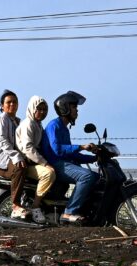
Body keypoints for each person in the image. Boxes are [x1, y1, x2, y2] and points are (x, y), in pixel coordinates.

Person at [40, 91, 100, 224]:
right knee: (87, 176)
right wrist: (81, 147)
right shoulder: (53, 125)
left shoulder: (65, 129)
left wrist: (94, 158)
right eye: (74, 107)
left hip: (64, 163)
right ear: (65, 108)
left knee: (96, 178)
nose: (76, 111)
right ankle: (69, 212)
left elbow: (72, 153)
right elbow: (58, 150)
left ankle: (86, 211)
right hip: (56, 163)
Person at [0, 90, 28, 220]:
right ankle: (15, 206)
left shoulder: (18, 121)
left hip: (9, 159)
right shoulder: (2, 119)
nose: (12, 104)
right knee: (19, 168)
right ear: (2, 106)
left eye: (14, 102)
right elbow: (3, 140)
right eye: (8, 102)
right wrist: (17, 156)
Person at [15, 95, 56, 225]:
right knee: (48, 173)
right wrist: (46, 163)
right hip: (26, 162)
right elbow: (28, 148)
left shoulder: (38, 124)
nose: (42, 112)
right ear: (32, 109)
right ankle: (35, 206)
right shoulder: (28, 124)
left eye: (45, 110)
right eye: (39, 109)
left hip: (33, 161)